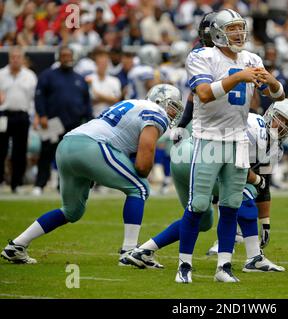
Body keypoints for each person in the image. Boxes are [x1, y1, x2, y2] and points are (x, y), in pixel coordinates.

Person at [1, 84, 184, 265]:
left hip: (67, 145)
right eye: (172, 106)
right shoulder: (156, 112)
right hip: (92, 146)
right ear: (159, 101)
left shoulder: (131, 104)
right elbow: (143, 165)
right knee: (140, 188)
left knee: (72, 211)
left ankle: (17, 245)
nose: (174, 113)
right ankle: (129, 252)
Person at [126, 99, 288, 273]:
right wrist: (257, 181)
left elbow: (264, 186)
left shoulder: (276, 149)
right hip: (195, 156)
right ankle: (254, 258)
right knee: (245, 190)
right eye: (281, 118)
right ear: (270, 113)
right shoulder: (253, 125)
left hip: (185, 160)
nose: (282, 125)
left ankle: (143, 251)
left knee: (200, 219)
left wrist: (265, 223)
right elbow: (241, 170)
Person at [174, 9, 285, 284]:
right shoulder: (202, 56)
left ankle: (224, 266)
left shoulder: (252, 59)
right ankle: (184, 266)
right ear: (216, 32)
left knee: (231, 205)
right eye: (232, 28)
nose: (238, 33)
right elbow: (203, 93)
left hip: (237, 139)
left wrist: (273, 83)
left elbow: (278, 95)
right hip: (209, 137)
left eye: (240, 28)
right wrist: (238, 77)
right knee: (199, 204)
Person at [32, 46, 92, 196]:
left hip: (74, 124)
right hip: (52, 122)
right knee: (46, 153)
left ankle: (63, 186)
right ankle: (40, 184)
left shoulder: (79, 78)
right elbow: (39, 96)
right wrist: (42, 115)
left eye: (69, 55)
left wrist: (89, 120)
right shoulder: (48, 76)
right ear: (59, 57)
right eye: (64, 55)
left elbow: (86, 101)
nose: (67, 58)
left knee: (70, 157)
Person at [0, 47, 37, 194]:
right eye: (12, 57)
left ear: (22, 59)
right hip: (3, 115)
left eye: (18, 57)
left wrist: (35, 117)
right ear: (9, 58)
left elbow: (34, 100)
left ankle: (16, 183)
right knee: (0, 149)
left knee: (20, 151)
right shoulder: (1, 74)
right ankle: (1, 181)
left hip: (22, 116)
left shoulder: (30, 76)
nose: (15, 59)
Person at [85, 47, 121, 117]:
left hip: (110, 117)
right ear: (96, 63)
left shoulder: (115, 80)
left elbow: (117, 100)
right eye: (100, 62)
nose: (103, 65)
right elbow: (88, 101)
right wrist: (108, 99)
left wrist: (98, 97)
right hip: (92, 117)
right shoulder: (88, 78)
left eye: (105, 62)